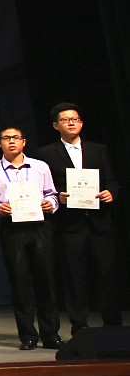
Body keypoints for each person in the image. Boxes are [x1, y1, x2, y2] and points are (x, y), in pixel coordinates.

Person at [34, 103, 121, 336]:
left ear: (81, 123)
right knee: (74, 277)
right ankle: (79, 325)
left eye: (75, 119)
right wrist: (58, 196)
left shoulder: (98, 149)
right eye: (65, 120)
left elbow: (112, 180)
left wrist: (111, 193)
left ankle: (113, 325)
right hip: (69, 225)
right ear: (56, 125)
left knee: (107, 275)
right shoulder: (46, 153)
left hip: (100, 223)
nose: (71, 123)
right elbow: (45, 187)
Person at [0, 126, 62, 349]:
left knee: (46, 280)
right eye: (6, 138)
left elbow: (52, 194)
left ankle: (51, 334)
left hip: (40, 225)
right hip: (12, 227)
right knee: (20, 282)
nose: (12, 142)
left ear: (24, 142)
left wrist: (50, 204)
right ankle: (28, 335)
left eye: (16, 138)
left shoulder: (40, 166)